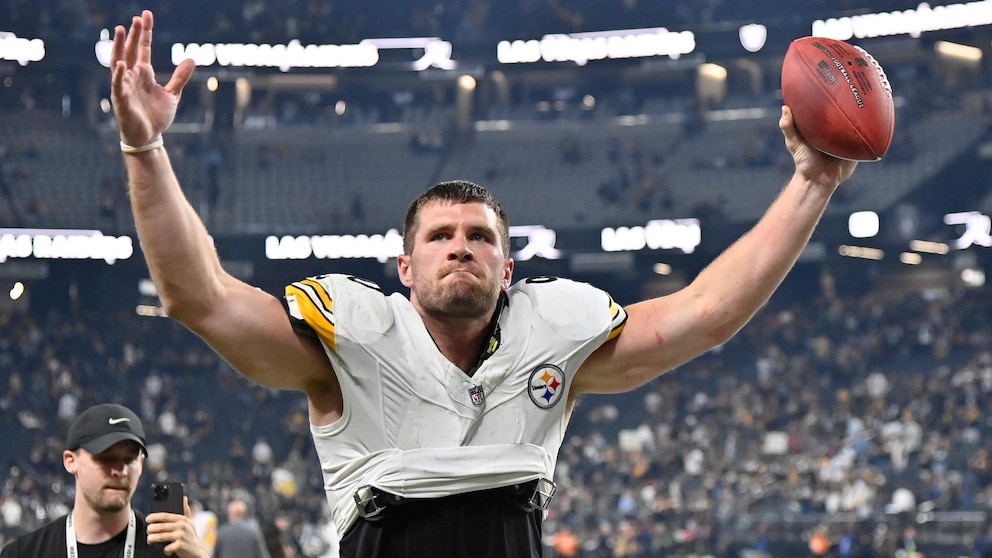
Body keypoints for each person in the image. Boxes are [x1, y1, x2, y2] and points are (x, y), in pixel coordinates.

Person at [108, 10, 857, 558]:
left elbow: (707, 313)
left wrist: (813, 185)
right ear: (405, 269)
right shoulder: (351, 343)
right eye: (439, 237)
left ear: (509, 269)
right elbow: (196, 296)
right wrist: (144, 146)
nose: (459, 249)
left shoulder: (555, 337)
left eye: (480, 239)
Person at [0, 403, 210, 557]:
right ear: (71, 461)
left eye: (129, 459)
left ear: (142, 464)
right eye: (105, 458)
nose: (120, 470)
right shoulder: (24, 553)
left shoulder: (171, 551)